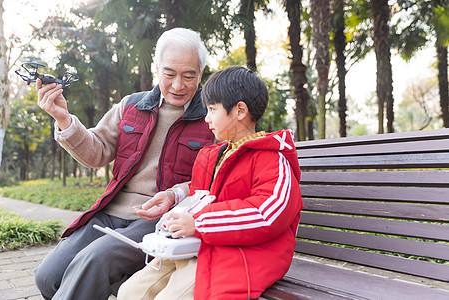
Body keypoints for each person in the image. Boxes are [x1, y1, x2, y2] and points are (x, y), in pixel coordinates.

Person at [34, 27, 215, 300]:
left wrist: (177, 194)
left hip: (159, 220)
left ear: (201, 73)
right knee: (48, 276)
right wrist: (63, 119)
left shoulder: (213, 116)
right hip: (111, 212)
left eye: (189, 76)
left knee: (93, 263)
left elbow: (215, 177)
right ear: (157, 69)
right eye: (169, 74)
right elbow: (96, 152)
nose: (178, 85)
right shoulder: (131, 105)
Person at [117, 65, 304, 300]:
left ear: (239, 111)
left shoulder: (272, 158)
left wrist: (198, 223)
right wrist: (176, 215)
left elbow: (267, 213)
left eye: (212, 110)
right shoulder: (212, 156)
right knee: (129, 293)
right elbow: (199, 198)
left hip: (243, 254)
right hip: (200, 244)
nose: (206, 119)